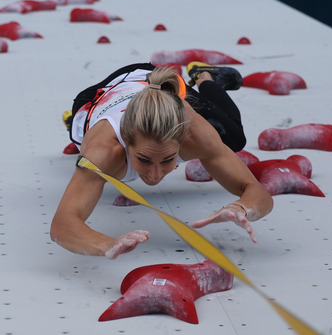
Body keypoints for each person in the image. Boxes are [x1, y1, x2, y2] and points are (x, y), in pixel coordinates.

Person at [51, 62, 273, 259]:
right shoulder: (105, 150)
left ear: (183, 138)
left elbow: (257, 192)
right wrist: (107, 244)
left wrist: (242, 208)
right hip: (96, 98)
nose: (155, 176)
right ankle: (77, 125)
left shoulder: (196, 134)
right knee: (85, 142)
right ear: (127, 143)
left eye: (168, 160)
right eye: (144, 159)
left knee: (234, 138)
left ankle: (205, 77)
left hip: (155, 83)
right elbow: (62, 225)